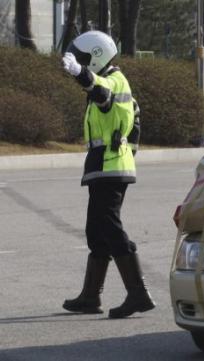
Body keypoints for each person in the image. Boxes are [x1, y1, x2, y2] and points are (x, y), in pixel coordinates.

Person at [60, 31, 155, 319]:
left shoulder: (114, 80)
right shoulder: (116, 83)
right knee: (97, 229)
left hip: (111, 167)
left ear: (96, 57)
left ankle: (138, 293)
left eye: (84, 58)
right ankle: (91, 297)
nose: (80, 62)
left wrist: (80, 74)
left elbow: (101, 93)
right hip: (106, 166)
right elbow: (135, 128)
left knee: (110, 227)